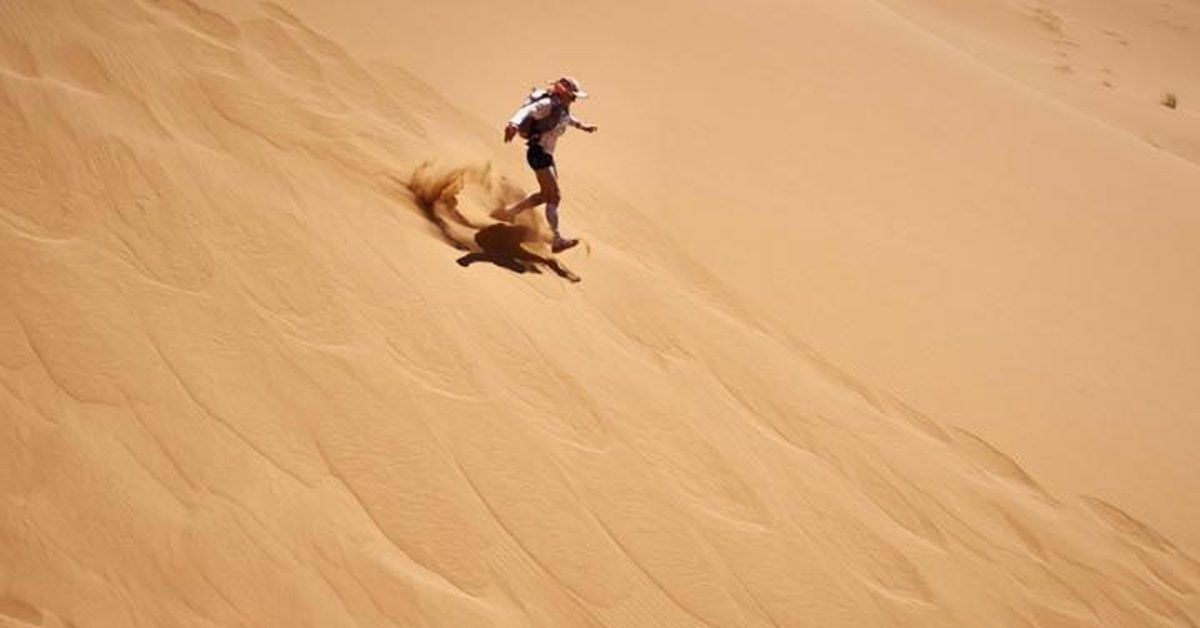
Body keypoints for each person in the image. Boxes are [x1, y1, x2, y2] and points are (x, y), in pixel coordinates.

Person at [493, 76, 597, 252]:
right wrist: (513, 124)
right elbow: (528, 110)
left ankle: (508, 212)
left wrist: (583, 126)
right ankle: (555, 239)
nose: (574, 100)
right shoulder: (548, 104)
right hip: (538, 153)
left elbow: (567, 119)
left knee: (544, 196)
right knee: (554, 196)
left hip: (546, 156)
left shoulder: (562, 109)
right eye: (573, 96)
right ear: (564, 94)